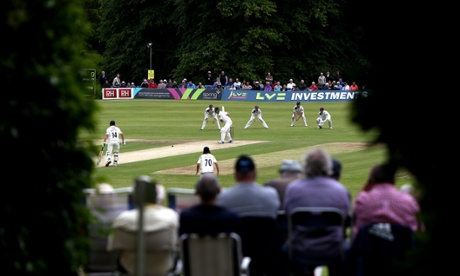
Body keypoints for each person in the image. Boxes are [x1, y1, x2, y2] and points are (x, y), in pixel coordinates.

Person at [284, 148, 351, 276]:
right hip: (333, 248)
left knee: (283, 251)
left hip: (300, 247)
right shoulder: (340, 190)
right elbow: (345, 219)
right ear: (327, 167)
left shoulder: (293, 188)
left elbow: (289, 215)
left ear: (305, 166)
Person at [107, 176, 179, 276]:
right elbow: (177, 246)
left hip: (130, 269)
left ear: (134, 196)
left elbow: (112, 247)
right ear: (156, 197)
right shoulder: (171, 216)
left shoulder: (122, 219)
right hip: (164, 269)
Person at [351, 163, 423, 239]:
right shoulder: (408, 201)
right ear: (394, 179)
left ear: (372, 180)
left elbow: (355, 222)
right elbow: (419, 229)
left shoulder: (362, 200)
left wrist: (367, 187)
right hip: (400, 248)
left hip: (369, 248)